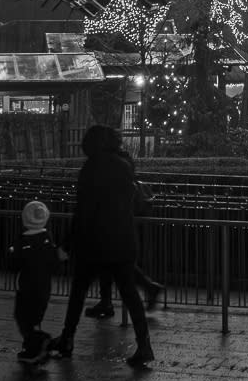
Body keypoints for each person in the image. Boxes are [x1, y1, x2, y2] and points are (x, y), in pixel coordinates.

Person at [48, 125, 155, 367]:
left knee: (78, 292)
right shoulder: (124, 166)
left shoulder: (91, 169)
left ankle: (67, 337)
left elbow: (83, 210)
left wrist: (68, 243)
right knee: (130, 295)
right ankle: (144, 344)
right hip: (123, 240)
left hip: (94, 242)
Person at [10, 200, 64, 364]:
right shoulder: (47, 238)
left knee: (22, 317)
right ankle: (31, 349)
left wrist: (11, 254)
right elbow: (55, 263)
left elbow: (15, 264)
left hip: (26, 286)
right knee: (34, 319)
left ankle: (41, 342)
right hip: (44, 286)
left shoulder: (22, 241)